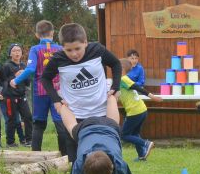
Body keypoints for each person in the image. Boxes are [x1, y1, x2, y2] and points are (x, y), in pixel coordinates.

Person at [40, 23, 122, 163]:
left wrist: (116, 87)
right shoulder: (58, 59)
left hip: (101, 112)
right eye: (68, 50)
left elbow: (116, 64)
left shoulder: (97, 50)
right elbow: (45, 78)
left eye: (77, 48)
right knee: (76, 161)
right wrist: (56, 100)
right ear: (62, 47)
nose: (74, 54)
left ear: (85, 42)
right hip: (75, 116)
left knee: (108, 157)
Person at [60, 95, 138, 174]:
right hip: (89, 128)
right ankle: (111, 97)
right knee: (72, 127)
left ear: (111, 169)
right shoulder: (79, 164)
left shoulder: (118, 164)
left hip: (104, 127)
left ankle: (63, 106)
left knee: (72, 127)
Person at [10, 20, 68, 155]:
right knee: (60, 123)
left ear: (37, 35)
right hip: (58, 92)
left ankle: (36, 156)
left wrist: (16, 80)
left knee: (39, 123)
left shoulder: (35, 49)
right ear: (53, 33)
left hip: (40, 92)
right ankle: (66, 156)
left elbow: (30, 69)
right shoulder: (60, 49)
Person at [119, 58, 162, 161]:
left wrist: (152, 96)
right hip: (141, 110)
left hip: (135, 111)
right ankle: (142, 156)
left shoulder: (123, 79)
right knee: (134, 134)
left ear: (121, 68)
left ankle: (146, 143)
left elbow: (138, 88)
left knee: (124, 135)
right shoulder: (124, 80)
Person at [0, 43, 32, 147]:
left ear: (21, 53)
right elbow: (2, 81)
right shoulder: (6, 66)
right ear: (10, 53)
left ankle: (29, 140)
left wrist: (25, 75)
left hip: (22, 96)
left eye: (18, 50)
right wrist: (14, 76)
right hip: (10, 97)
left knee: (28, 117)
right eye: (14, 51)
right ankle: (10, 142)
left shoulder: (23, 65)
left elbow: (27, 83)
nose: (17, 52)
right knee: (12, 119)